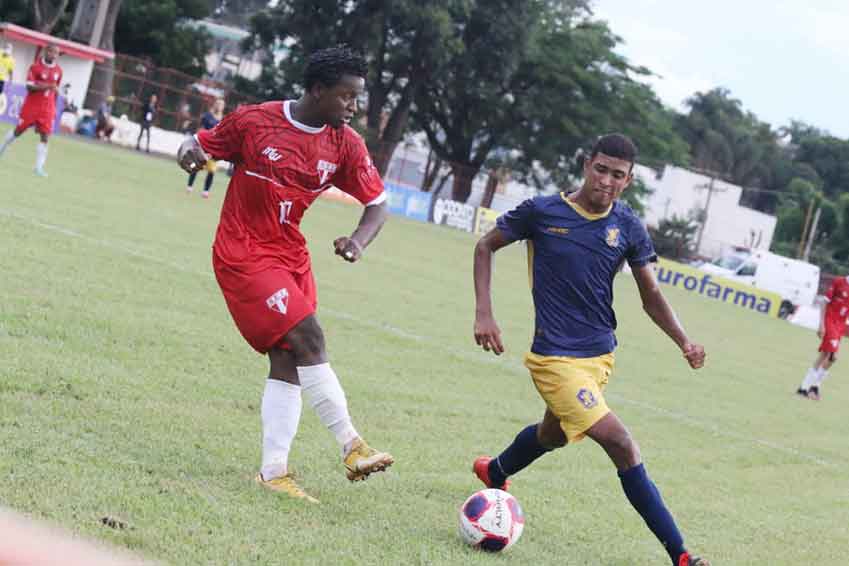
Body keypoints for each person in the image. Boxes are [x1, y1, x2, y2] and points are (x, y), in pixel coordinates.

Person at [471, 134, 709, 566]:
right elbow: (486, 245)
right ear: (586, 165)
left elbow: (650, 294)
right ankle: (682, 555)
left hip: (599, 356)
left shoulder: (629, 227)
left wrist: (684, 340)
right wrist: (484, 312)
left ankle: (496, 471)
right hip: (553, 360)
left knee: (553, 434)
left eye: (618, 175)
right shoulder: (543, 211)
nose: (607, 181)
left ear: (629, 180)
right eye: (601, 169)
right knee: (622, 444)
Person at [176, 45, 393, 503]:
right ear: (316, 90)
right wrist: (188, 155)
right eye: (346, 96)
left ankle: (273, 472)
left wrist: (357, 241)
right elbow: (198, 145)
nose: (354, 107)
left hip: (290, 255)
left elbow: (378, 204)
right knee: (310, 338)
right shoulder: (255, 121)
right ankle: (352, 445)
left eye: (358, 98)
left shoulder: (345, 143)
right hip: (243, 252)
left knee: (289, 358)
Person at [0, 42, 62, 177]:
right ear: (46, 51)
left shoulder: (58, 71)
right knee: (19, 131)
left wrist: (54, 106)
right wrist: (47, 87)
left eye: (56, 53)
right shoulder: (35, 67)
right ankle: (2, 148)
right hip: (32, 106)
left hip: (47, 108)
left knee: (45, 136)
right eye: (51, 52)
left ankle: (39, 167)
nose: (54, 55)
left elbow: (55, 89)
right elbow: (29, 87)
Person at [796, 274, 849, 400]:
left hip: (840, 326)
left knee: (826, 356)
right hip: (829, 322)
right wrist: (821, 324)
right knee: (832, 356)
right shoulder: (839, 282)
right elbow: (824, 302)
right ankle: (813, 387)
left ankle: (805, 388)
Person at [186, 98, 225, 199]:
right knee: (197, 166)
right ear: (215, 105)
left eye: (221, 105)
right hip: (204, 146)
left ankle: (206, 191)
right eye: (218, 104)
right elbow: (200, 129)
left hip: (215, 148)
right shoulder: (207, 116)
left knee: (211, 170)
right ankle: (190, 186)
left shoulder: (223, 119)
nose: (219, 106)